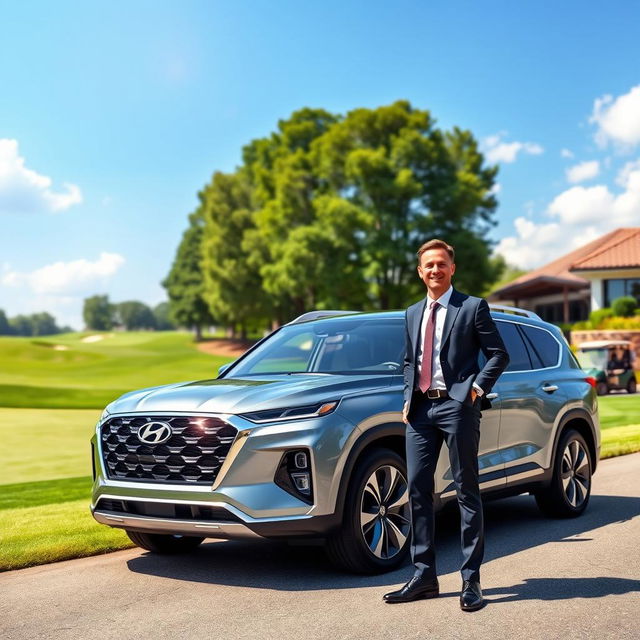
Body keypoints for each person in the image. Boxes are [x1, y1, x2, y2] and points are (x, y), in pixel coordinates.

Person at [383, 239, 509, 611]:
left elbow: (499, 354)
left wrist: (475, 387)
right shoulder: (410, 313)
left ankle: (471, 581)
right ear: (420, 272)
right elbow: (409, 360)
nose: (434, 270)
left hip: (458, 407)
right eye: (428, 266)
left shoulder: (472, 307)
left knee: (466, 491)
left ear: (452, 269)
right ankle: (424, 576)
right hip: (421, 411)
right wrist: (407, 397)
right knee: (419, 492)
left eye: (441, 264)